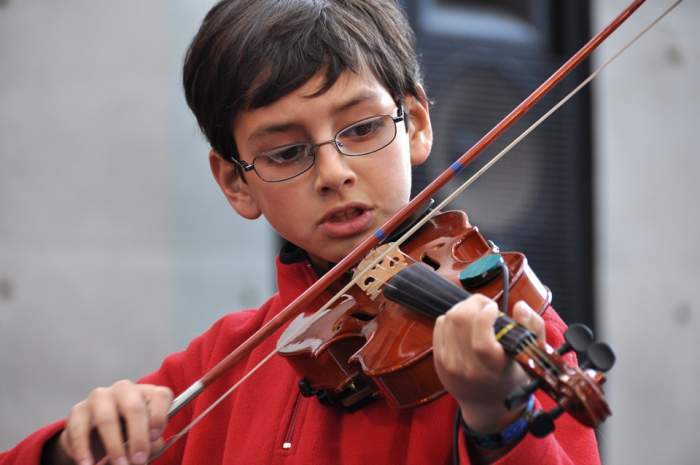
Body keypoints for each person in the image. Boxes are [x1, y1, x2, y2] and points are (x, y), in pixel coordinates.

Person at [0, 1, 601, 464]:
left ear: (415, 125)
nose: (335, 173)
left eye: (362, 129)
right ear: (236, 183)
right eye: (287, 153)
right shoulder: (227, 360)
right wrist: (76, 445)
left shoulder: (508, 325)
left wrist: (498, 417)